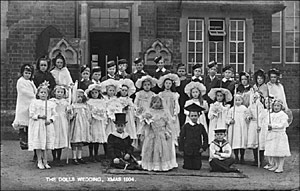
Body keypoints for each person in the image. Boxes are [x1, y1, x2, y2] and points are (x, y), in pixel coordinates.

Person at [140, 95, 178, 171]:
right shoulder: (149, 112)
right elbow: (145, 125)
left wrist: (168, 132)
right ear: (151, 103)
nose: (156, 104)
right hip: (152, 134)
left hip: (161, 133)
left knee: (163, 150)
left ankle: (162, 165)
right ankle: (151, 165)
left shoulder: (164, 112)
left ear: (161, 103)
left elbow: (168, 123)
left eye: (158, 102)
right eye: (154, 102)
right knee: (151, 149)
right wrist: (146, 122)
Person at [28, 81, 57, 169]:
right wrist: (39, 116)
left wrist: (50, 120)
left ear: (48, 94)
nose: (43, 94)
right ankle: (39, 161)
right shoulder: (34, 102)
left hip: (47, 125)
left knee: (45, 144)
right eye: (41, 92)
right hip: (38, 125)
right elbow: (31, 114)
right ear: (38, 93)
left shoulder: (51, 103)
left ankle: (45, 161)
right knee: (39, 143)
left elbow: (55, 114)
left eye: (45, 93)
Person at [12, 64, 37, 152]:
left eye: (29, 73)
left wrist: (36, 94)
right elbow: (24, 92)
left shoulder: (31, 82)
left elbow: (34, 90)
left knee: (29, 124)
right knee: (23, 124)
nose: (27, 75)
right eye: (26, 73)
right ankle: (23, 141)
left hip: (30, 105)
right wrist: (34, 96)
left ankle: (28, 142)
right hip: (23, 105)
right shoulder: (21, 81)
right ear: (22, 73)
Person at [264, 99, 291, 173]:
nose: (276, 107)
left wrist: (273, 126)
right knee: (273, 150)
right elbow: (266, 123)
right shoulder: (271, 115)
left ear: (281, 107)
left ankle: (280, 166)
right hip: (272, 134)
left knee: (280, 151)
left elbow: (282, 125)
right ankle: (275, 165)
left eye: (278, 106)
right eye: (275, 106)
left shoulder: (283, 115)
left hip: (280, 135)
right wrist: (268, 127)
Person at [179, 103, 208, 170]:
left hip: (197, 149)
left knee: (197, 167)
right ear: (189, 116)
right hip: (188, 149)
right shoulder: (186, 126)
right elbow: (181, 137)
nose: (194, 117)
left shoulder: (201, 126)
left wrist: (203, 147)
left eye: (195, 116)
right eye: (192, 116)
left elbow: (205, 137)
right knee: (187, 167)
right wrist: (182, 148)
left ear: (198, 116)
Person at [68, 89, 91, 165]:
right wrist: (71, 116)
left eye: (81, 97)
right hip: (76, 125)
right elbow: (69, 116)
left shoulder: (85, 106)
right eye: (78, 97)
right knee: (75, 141)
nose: (80, 98)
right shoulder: (73, 106)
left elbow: (88, 115)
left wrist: (88, 121)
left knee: (80, 142)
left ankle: (80, 156)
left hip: (83, 125)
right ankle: (74, 157)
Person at [85, 84, 107, 162]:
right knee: (92, 138)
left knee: (97, 138)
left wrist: (102, 116)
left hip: (99, 121)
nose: (94, 94)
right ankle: (91, 154)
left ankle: (96, 154)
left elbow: (104, 111)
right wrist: (90, 117)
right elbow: (87, 111)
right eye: (93, 93)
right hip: (92, 121)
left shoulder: (102, 101)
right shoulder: (89, 102)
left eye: (96, 93)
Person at [157, 73, 181, 146]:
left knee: (172, 127)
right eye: (166, 83)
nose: (168, 85)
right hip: (163, 113)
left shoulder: (174, 94)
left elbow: (176, 105)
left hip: (171, 113)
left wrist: (175, 114)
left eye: (169, 83)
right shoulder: (160, 94)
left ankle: (173, 142)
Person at [246, 90, 268, 167]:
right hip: (253, 124)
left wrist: (260, 125)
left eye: (256, 97)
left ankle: (261, 159)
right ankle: (256, 159)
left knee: (260, 142)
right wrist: (249, 117)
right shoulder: (251, 106)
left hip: (260, 125)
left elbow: (263, 117)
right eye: (254, 97)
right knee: (254, 141)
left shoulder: (261, 106)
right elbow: (247, 113)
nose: (255, 99)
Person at [101, 79, 123, 156]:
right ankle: (106, 152)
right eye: (110, 90)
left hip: (114, 119)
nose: (111, 92)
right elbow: (103, 107)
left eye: (113, 90)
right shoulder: (104, 99)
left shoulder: (116, 99)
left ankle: (115, 153)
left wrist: (115, 112)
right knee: (107, 135)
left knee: (114, 135)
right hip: (107, 119)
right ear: (107, 91)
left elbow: (119, 108)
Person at [49, 85, 69, 167]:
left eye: (61, 92)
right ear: (54, 93)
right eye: (58, 92)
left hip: (63, 120)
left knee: (61, 137)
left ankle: (59, 158)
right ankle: (54, 157)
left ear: (64, 94)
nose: (59, 94)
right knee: (55, 137)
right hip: (55, 120)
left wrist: (69, 112)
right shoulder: (51, 101)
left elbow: (67, 112)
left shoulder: (66, 102)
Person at [226, 93, 248, 164]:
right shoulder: (232, 109)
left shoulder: (244, 108)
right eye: (236, 100)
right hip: (234, 127)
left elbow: (247, 115)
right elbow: (227, 118)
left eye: (239, 100)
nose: (237, 102)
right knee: (235, 142)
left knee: (242, 142)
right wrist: (230, 121)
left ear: (242, 101)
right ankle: (236, 157)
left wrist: (247, 118)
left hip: (242, 126)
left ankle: (242, 157)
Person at [117, 79, 138, 148]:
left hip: (129, 117)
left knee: (130, 132)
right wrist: (122, 108)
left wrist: (130, 108)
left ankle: (129, 150)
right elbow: (116, 109)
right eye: (122, 90)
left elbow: (133, 108)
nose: (124, 92)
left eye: (126, 90)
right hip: (122, 116)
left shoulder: (129, 99)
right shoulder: (118, 99)